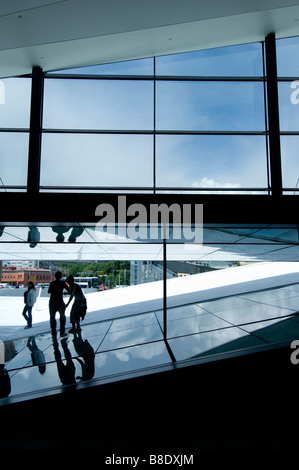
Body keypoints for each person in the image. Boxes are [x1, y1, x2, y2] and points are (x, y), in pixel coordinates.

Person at [48, 271, 72, 335]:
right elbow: (70, 292)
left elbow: (49, 291)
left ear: (55, 276)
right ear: (61, 277)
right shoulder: (63, 283)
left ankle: (53, 330)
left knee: (52, 317)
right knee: (62, 317)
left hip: (52, 302)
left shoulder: (52, 283)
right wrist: (64, 293)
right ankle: (62, 329)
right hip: (60, 302)